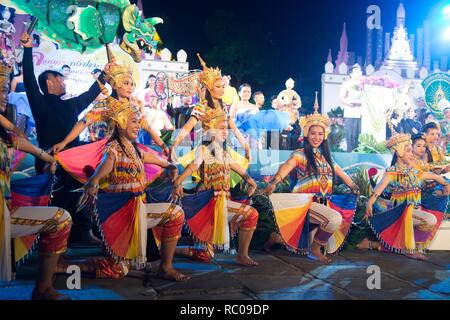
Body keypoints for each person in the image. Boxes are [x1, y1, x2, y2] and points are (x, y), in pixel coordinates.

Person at [77, 92, 189, 281]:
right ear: (120, 123)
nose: (138, 126)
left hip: (137, 212)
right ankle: (62, 267)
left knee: (175, 213)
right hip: (122, 216)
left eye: (138, 122)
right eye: (133, 122)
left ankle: (165, 267)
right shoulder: (113, 149)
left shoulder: (136, 149)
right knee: (117, 270)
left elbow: (161, 162)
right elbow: (103, 167)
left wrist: (171, 168)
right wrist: (94, 181)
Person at [0, 63, 72, 300]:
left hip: (6, 210)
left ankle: (43, 287)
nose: (4, 96)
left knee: (61, 218)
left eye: (4, 90)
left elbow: (19, 140)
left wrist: (46, 157)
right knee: (60, 219)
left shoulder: (7, 133)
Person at [264, 93, 359, 263]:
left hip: (322, 203)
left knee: (303, 237)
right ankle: (315, 251)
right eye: (313, 133)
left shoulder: (327, 158)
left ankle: (276, 238)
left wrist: (354, 187)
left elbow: (341, 173)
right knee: (334, 218)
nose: (317, 137)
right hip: (304, 203)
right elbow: (286, 167)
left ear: (325, 136)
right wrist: (274, 182)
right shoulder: (300, 154)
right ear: (307, 134)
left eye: (320, 134)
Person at [172, 116, 259, 266]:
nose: (225, 131)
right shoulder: (203, 149)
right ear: (211, 131)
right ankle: (171, 249)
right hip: (209, 203)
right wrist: (178, 181)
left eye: (226, 128)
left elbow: (239, 170)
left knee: (205, 254)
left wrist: (251, 182)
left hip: (223, 201)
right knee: (251, 214)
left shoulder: (224, 153)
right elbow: (194, 165)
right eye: (221, 128)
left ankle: (242, 255)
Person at [361, 133, 449, 260]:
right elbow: (377, 190)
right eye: (408, 150)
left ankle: (373, 244)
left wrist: (446, 184)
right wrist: (370, 203)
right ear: (399, 152)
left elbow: (434, 176)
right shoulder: (391, 172)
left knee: (428, 222)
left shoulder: (415, 173)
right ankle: (410, 250)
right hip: (400, 214)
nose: (411, 153)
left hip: (413, 213)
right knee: (430, 220)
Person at [339, 64, 363, 152]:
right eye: (356, 72)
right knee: (350, 135)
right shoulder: (346, 84)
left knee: (358, 135)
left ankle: (358, 154)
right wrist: (351, 103)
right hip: (350, 112)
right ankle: (350, 154)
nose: (358, 74)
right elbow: (341, 97)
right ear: (351, 74)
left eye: (359, 72)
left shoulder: (364, 84)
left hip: (360, 113)